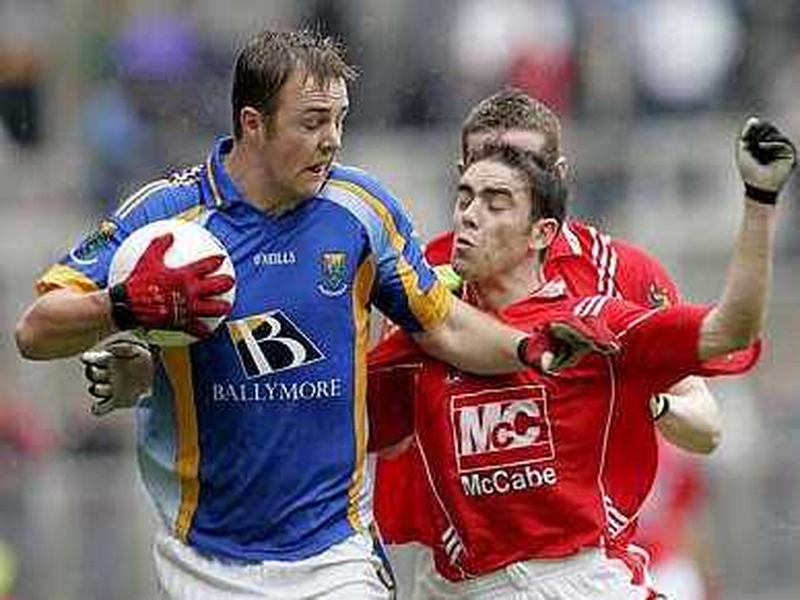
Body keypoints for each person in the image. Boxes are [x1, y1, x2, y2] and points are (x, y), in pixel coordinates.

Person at [13, 30, 606, 600]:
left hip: (335, 556)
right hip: (204, 559)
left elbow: (444, 324)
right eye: (313, 122)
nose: (333, 140)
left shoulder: (360, 209)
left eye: (340, 120)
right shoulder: (170, 217)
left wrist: (529, 348)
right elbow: (35, 330)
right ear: (253, 123)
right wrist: (121, 304)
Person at [366, 118, 795, 598]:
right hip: (456, 585)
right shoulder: (425, 327)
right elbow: (354, 431)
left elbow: (730, 330)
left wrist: (760, 204)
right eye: (464, 197)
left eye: (496, 202)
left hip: (574, 579)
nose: (469, 214)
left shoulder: (594, 319)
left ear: (541, 232)